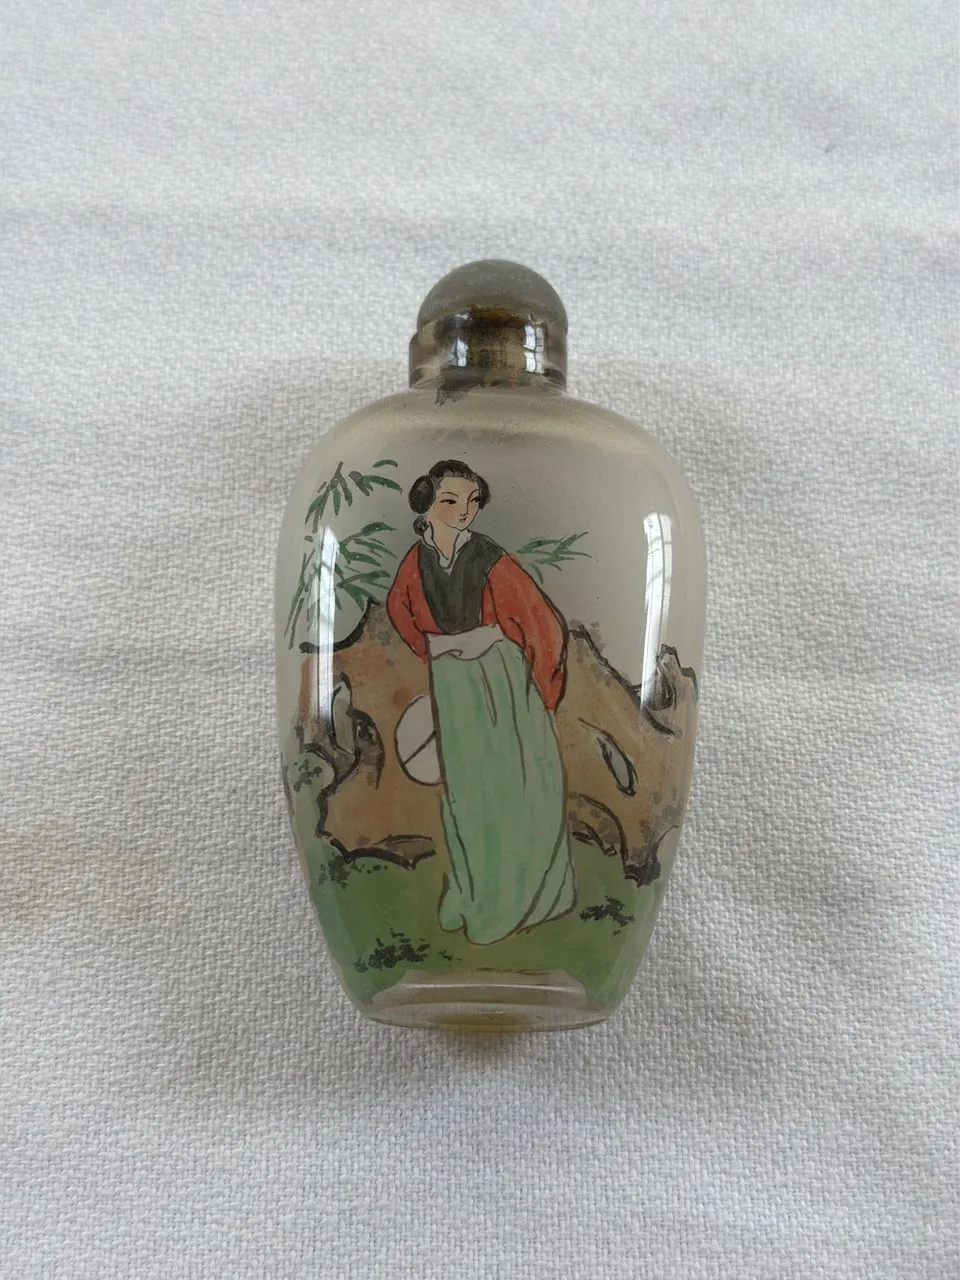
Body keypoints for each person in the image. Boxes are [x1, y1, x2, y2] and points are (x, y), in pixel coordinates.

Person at [386, 460, 575, 945]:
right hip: (453, 682)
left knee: (509, 788)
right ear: (426, 503)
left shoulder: (488, 557)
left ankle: (513, 904)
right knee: (466, 791)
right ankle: (472, 892)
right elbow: (399, 608)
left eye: (472, 502)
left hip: (500, 678)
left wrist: (541, 690)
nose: (463, 511)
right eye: (450, 501)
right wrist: (436, 652)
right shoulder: (417, 560)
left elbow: (541, 622)